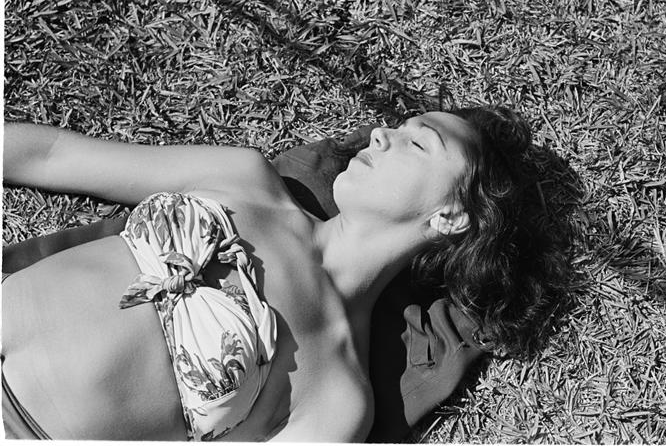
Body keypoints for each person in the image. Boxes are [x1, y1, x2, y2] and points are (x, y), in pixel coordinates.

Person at [2, 105, 536, 441]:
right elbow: (53, 155)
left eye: (418, 142)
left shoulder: (338, 399)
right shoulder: (245, 177)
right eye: (395, 126)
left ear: (451, 217)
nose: (379, 134)